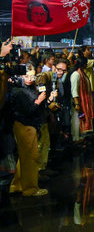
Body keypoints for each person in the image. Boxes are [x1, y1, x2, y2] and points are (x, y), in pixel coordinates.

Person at [10, 67, 51, 196]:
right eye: (26, 76)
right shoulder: (19, 91)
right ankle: (30, 189)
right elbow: (28, 111)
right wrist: (38, 101)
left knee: (24, 158)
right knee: (31, 158)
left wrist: (46, 99)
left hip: (27, 126)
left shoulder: (27, 89)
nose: (29, 79)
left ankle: (17, 185)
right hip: (25, 126)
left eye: (32, 77)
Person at [70, 57, 94, 143]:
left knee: (81, 119)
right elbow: (74, 91)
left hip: (83, 101)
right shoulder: (76, 75)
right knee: (77, 120)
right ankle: (76, 139)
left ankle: (80, 137)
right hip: (78, 102)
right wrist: (77, 104)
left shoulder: (82, 73)